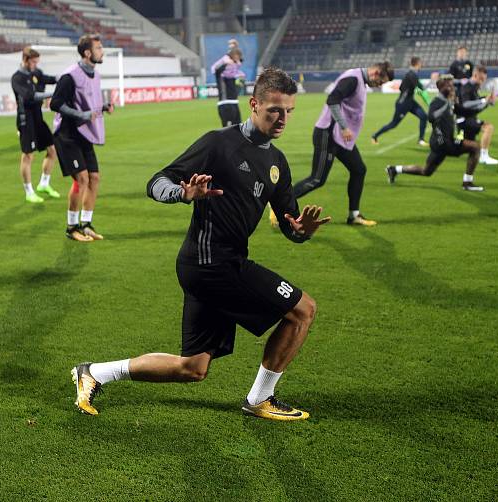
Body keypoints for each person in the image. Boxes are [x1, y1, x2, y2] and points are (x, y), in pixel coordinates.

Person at [70, 67, 331, 421]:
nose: (283, 118)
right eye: (274, 110)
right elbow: (156, 181)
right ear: (254, 105)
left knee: (192, 368)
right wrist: (182, 192)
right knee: (304, 310)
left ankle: (95, 372)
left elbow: (291, 226)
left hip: (212, 265)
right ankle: (261, 398)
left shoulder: (277, 163)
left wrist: (303, 230)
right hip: (213, 265)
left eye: (289, 111)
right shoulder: (218, 143)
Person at [292, 62, 394, 227]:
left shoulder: (359, 79)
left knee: (359, 170)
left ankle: (354, 216)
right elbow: (332, 100)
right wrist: (344, 126)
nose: (379, 85)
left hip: (339, 138)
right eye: (381, 82)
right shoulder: (353, 79)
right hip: (328, 134)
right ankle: (279, 202)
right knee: (317, 179)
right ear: (376, 73)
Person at [50, 34, 113, 242]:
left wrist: (103, 108)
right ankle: (71, 227)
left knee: (94, 178)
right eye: (98, 48)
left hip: (85, 133)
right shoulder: (70, 76)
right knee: (81, 179)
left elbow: (88, 105)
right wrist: (82, 115)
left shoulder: (96, 74)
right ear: (88, 53)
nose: (101, 51)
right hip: (67, 135)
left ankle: (86, 224)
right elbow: (55, 104)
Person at [385, 76, 484, 191]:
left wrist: (484, 103)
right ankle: (467, 182)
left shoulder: (449, 101)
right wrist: (446, 106)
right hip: (443, 142)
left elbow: (464, 111)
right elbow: (431, 118)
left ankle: (394, 169)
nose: (453, 88)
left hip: (441, 142)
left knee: (426, 171)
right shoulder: (437, 102)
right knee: (475, 147)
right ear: (442, 88)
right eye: (450, 86)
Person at [11, 46, 60, 203]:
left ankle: (44, 184)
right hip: (25, 120)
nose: (35, 65)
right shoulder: (17, 78)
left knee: (52, 149)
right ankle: (29, 191)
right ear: (25, 60)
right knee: (28, 156)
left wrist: (65, 78)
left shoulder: (36, 73)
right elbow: (30, 96)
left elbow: (50, 79)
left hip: (38, 118)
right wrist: (52, 94)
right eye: (33, 62)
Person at [371, 57, 430, 147]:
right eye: (421, 63)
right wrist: (429, 103)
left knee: (424, 117)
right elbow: (420, 90)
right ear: (417, 64)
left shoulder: (410, 74)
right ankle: (374, 136)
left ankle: (421, 140)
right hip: (403, 104)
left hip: (410, 101)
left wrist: (408, 91)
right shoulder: (412, 75)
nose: (422, 65)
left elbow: (401, 87)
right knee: (393, 124)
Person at [455, 65, 498, 165]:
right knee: (488, 127)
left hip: (468, 118)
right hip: (464, 120)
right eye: (481, 78)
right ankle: (484, 157)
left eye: (484, 79)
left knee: (470, 148)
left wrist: (488, 102)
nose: (483, 81)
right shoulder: (467, 87)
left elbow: (476, 108)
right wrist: (484, 100)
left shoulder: (474, 88)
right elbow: (466, 104)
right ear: (475, 75)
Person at [210, 47, 246, 127]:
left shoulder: (233, 74)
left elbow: (239, 61)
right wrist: (226, 63)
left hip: (234, 103)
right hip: (225, 104)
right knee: (228, 131)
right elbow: (216, 69)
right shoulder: (219, 75)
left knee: (238, 129)